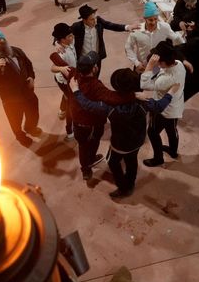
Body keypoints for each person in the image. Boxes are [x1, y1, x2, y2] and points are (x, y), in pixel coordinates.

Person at [72, 69, 178, 198]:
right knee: (132, 160)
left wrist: (76, 91)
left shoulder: (110, 107)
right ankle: (130, 183)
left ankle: (123, 187)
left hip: (120, 144)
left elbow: (88, 105)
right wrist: (171, 92)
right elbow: (159, 106)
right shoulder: (143, 102)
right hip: (137, 141)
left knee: (112, 162)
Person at [71, 52, 135, 180]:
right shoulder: (96, 86)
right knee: (92, 143)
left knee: (82, 145)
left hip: (76, 121)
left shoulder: (73, 77)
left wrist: (60, 67)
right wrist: (133, 95)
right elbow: (114, 98)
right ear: (95, 68)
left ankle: (87, 165)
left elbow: (57, 62)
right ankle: (87, 166)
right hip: (92, 124)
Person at [0, 29, 41, 146]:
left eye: (0, 39)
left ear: (5, 39)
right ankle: (20, 136)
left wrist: (31, 77)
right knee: (15, 120)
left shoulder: (16, 51)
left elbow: (28, 64)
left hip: (27, 91)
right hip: (11, 98)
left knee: (33, 112)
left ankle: (30, 127)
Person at [140, 40, 186, 167]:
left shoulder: (166, 80)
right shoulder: (180, 65)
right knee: (172, 129)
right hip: (175, 107)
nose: (157, 64)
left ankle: (158, 158)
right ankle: (173, 151)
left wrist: (149, 66)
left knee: (152, 132)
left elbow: (144, 84)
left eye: (159, 62)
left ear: (165, 62)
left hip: (163, 109)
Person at [70, 4, 134, 73]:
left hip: (97, 58)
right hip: (84, 60)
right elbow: (63, 34)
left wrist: (127, 27)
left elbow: (111, 25)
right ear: (84, 20)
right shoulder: (77, 27)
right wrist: (57, 44)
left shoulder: (99, 21)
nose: (94, 21)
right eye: (91, 19)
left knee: (96, 77)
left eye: (94, 18)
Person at [126, 2, 186, 72]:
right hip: (142, 65)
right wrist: (136, 62)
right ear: (145, 18)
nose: (154, 22)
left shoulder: (165, 27)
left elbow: (176, 39)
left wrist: (183, 51)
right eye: (150, 20)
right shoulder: (136, 31)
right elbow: (128, 47)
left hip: (159, 66)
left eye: (156, 19)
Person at [49, 23, 77, 140]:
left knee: (66, 97)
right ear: (63, 39)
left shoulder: (69, 43)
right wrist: (61, 68)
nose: (73, 37)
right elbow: (52, 68)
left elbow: (56, 39)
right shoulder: (61, 53)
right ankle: (69, 131)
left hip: (70, 78)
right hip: (65, 82)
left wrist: (56, 42)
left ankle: (61, 110)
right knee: (72, 104)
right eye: (70, 36)